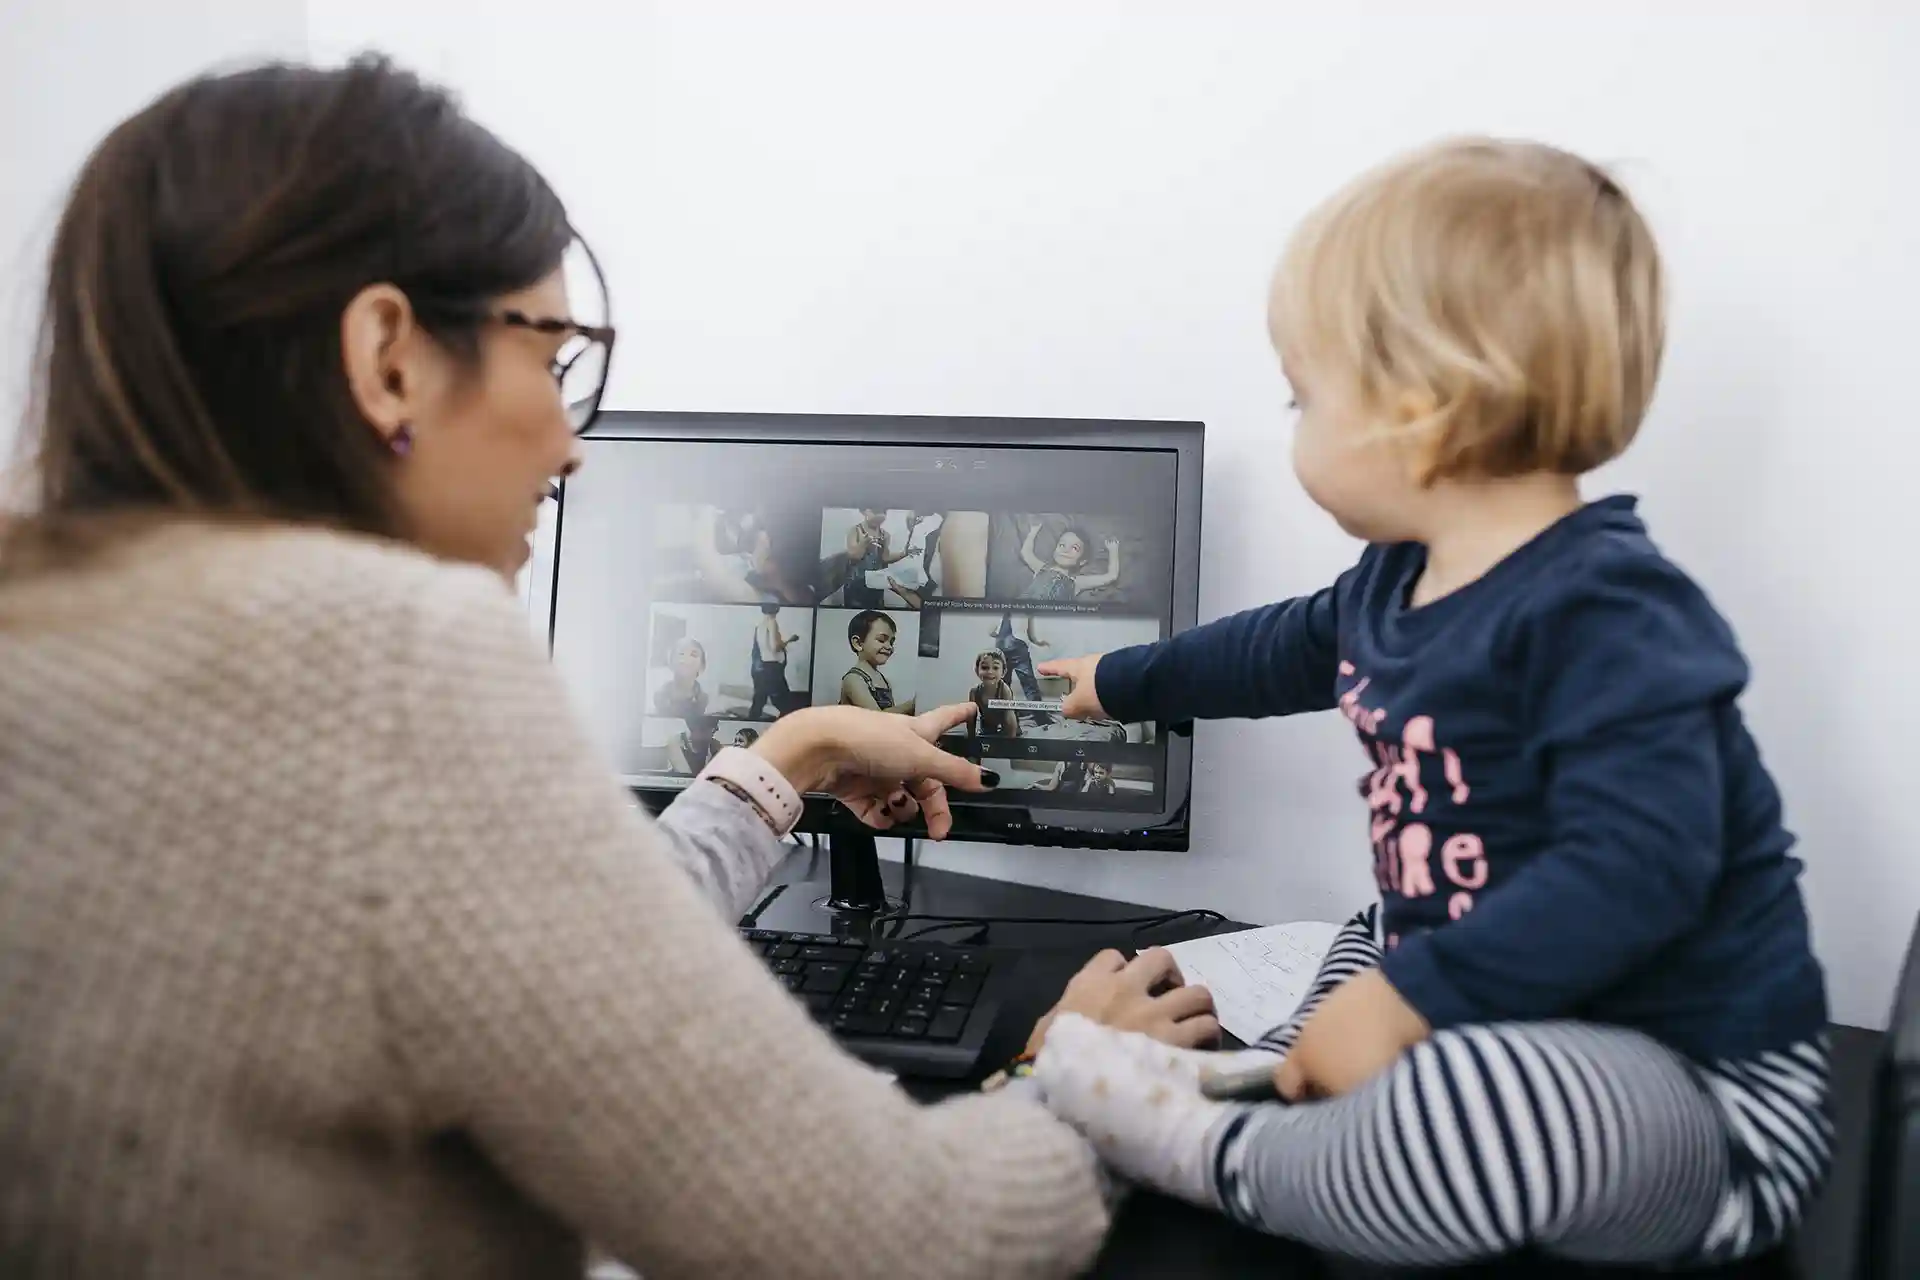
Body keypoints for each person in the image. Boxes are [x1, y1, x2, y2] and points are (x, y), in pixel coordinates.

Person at [0, 58, 1224, 1279]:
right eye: (551, 360)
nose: (569, 446)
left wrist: (788, 754)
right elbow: (896, 1236)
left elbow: (508, 961)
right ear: (386, 355)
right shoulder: (388, 657)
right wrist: (1079, 1074)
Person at [1033, 138, 1830, 1269]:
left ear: (1424, 408)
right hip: (1496, 999)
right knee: (1364, 932)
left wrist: (1415, 997)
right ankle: (1303, 1091)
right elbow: (1273, 652)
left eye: (1303, 397)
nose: (1293, 422)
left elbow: (1640, 866)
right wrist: (1125, 682)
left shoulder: (1611, 613)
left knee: (1479, 1088)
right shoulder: (1396, 581)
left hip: (1689, 1091)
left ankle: (1216, 1150)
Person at [1018, 520, 1121, 601]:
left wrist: (1113, 550)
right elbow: (1026, 553)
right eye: (1062, 545)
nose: (1065, 550)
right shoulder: (1042, 568)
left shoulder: (1077, 582)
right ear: (1055, 550)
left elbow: (1111, 576)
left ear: (1082, 561)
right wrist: (1033, 531)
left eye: (1074, 548)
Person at [838, 609, 914, 715]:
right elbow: (877, 718)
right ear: (858, 643)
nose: (889, 647)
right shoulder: (853, 679)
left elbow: (890, 720)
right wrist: (912, 705)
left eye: (891, 642)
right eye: (881, 640)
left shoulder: (885, 681)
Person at [841, 508, 914, 607]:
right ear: (864, 511)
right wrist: (863, 544)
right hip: (856, 584)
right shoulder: (855, 530)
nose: (879, 516)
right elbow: (854, 557)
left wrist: (904, 553)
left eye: (883, 513)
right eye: (875, 512)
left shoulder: (885, 535)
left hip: (875, 584)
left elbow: (885, 558)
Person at [746, 603, 797, 719]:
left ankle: (751, 721)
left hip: (762, 669)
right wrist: (789, 640)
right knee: (786, 704)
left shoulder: (759, 626)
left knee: (758, 702)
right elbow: (774, 648)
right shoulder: (772, 622)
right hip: (773, 669)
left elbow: (763, 648)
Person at [966, 651, 1021, 741]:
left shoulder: (1004, 690)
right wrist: (971, 738)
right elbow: (971, 718)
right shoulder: (974, 692)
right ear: (977, 670)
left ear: (1003, 672)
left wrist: (1011, 741)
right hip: (987, 720)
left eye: (995, 668)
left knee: (1009, 730)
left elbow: (1009, 716)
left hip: (1005, 720)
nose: (990, 672)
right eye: (984, 667)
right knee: (987, 735)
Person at [652, 636, 709, 719]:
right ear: (671, 662)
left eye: (693, 655)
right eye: (681, 654)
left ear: (702, 666)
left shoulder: (707, 703)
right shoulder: (659, 697)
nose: (686, 659)